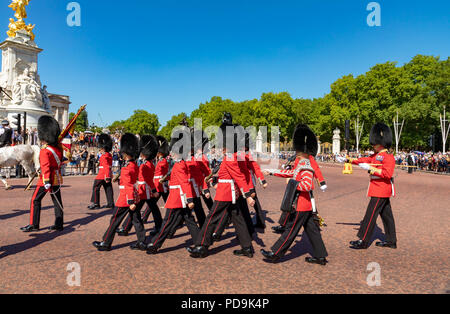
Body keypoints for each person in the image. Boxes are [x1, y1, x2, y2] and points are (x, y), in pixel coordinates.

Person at [261, 124, 328, 265]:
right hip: (305, 205)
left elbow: (307, 185)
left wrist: (294, 185)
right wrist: (272, 171)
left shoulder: (307, 165)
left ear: (303, 151)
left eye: (298, 149)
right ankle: (320, 256)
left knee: (290, 231)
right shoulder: (302, 163)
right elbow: (291, 173)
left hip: (301, 204)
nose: (295, 152)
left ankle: (275, 253)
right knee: (312, 231)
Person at [187, 123, 256, 259]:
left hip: (225, 193)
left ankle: (202, 245)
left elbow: (239, 177)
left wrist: (247, 196)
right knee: (238, 219)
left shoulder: (230, 158)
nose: (221, 148)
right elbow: (230, 174)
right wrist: (214, 180)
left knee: (211, 218)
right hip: (229, 191)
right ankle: (247, 247)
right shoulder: (232, 156)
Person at [146, 128, 199, 255]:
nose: (172, 154)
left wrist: (190, 199)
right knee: (189, 220)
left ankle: (155, 244)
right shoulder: (179, 164)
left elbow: (184, 183)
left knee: (167, 221)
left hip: (176, 198)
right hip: (179, 197)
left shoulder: (180, 165)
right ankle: (200, 243)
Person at [347, 123, 397, 250]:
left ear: (381, 143)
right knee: (387, 217)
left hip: (380, 190)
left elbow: (387, 174)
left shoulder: (388, 157)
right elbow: (365, 160)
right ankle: (391, 241)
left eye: (374, 143)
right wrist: (350, 160)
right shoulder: (376, 156)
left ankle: (363, 240)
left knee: (370, 215)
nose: (373, 145)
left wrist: (371, 169)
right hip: (378, 189)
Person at [92, 133, 146, 251]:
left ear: (125, 153)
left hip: (126, 198)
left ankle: (106, 242)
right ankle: (142, 242)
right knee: (137, 220)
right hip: (133, 196)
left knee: (114, 220)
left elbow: (128, 185)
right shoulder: (133, 165)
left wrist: (130, 201)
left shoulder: (127, 168)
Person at [21, 116, 65, 233]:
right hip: (56, 177)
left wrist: (46, 181)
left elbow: (45, 167)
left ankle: (33, 224)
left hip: (46, 179)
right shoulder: (57, 150)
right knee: (57, 201)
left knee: (35, 200)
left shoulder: (45, 151)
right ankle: (59, 223)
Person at [116, 135, 163, 237]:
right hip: (145, 189)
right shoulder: (149, 164)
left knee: (136, 210)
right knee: (149, 209)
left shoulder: (145, 166)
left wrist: (153, 190)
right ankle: (158, 225)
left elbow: (147, 180)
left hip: (143, 190)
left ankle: (126, 228)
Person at [87, 134, 114, 210]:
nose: (100, 149)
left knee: (96, 187)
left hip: (102, 174)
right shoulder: (109, 155)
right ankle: (110, 203)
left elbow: (105, 166)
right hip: (107, 173)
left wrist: (106, 176)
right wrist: (108, 175)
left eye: (101, 148)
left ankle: (96, 203)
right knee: (108, 188)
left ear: (103, 148)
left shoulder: (104, 156)